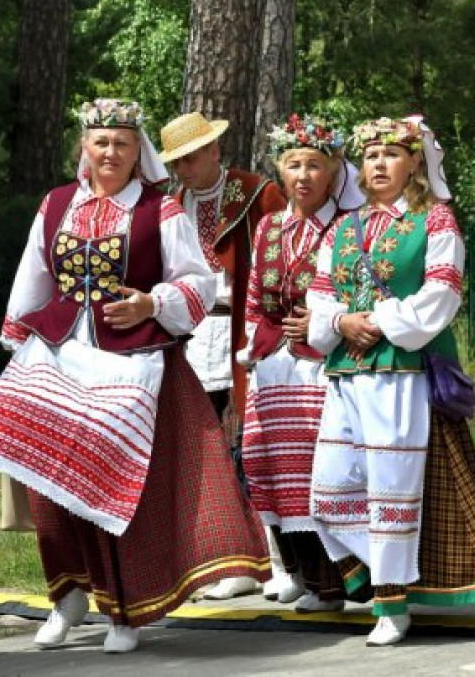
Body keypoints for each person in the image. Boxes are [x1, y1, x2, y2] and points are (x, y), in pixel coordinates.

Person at [0, 99, 269, 654]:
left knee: (111, 481)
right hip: (59, 354)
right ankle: (66, 595)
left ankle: (124, 610)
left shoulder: (159, 209)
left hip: (130, 361)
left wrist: (151, 303)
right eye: (101, 142)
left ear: (137, 152)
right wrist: (18, 342)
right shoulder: (57, 203)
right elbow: (34, 275)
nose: (110, 152)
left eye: (121, 144)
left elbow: (198, 283)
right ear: (84, 147)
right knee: (49, 483)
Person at [307, 116, 475, 646]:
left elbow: (442, 295)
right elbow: (319, 295)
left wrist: (375, 322)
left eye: (391, 154)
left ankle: (392, 601)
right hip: (346, 373)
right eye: (371, 156)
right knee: (328, 492)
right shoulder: (343, 228)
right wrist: (341, 321)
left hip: (402, 371)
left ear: (414, 162)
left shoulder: (434, 220)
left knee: (392, 487)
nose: (379, 164)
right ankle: (388, 570)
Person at [158, 110, 287, 600]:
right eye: (177, 162)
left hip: (244, 332)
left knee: (253, 446)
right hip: (192, 338)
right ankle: (228, 560)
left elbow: (283, 261)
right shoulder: (174, 204)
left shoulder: (258, 193)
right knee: (204, 450)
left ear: (215, 150)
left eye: (192, 158)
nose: (184, 169)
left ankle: (277, 560)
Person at [240, 115, 366, 611]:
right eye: (294, 165)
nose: (304, 176)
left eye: (314, 165)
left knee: (317, 471)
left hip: (323, 366)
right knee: (267, 467)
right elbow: (254, 296)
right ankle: (297, 570)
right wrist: (258, 346)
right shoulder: (270, 227)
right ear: (281, 170)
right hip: (273, 366)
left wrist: (320, 325)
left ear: (334, 171)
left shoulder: (349, 226)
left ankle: (332, 581)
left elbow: (358, 293)